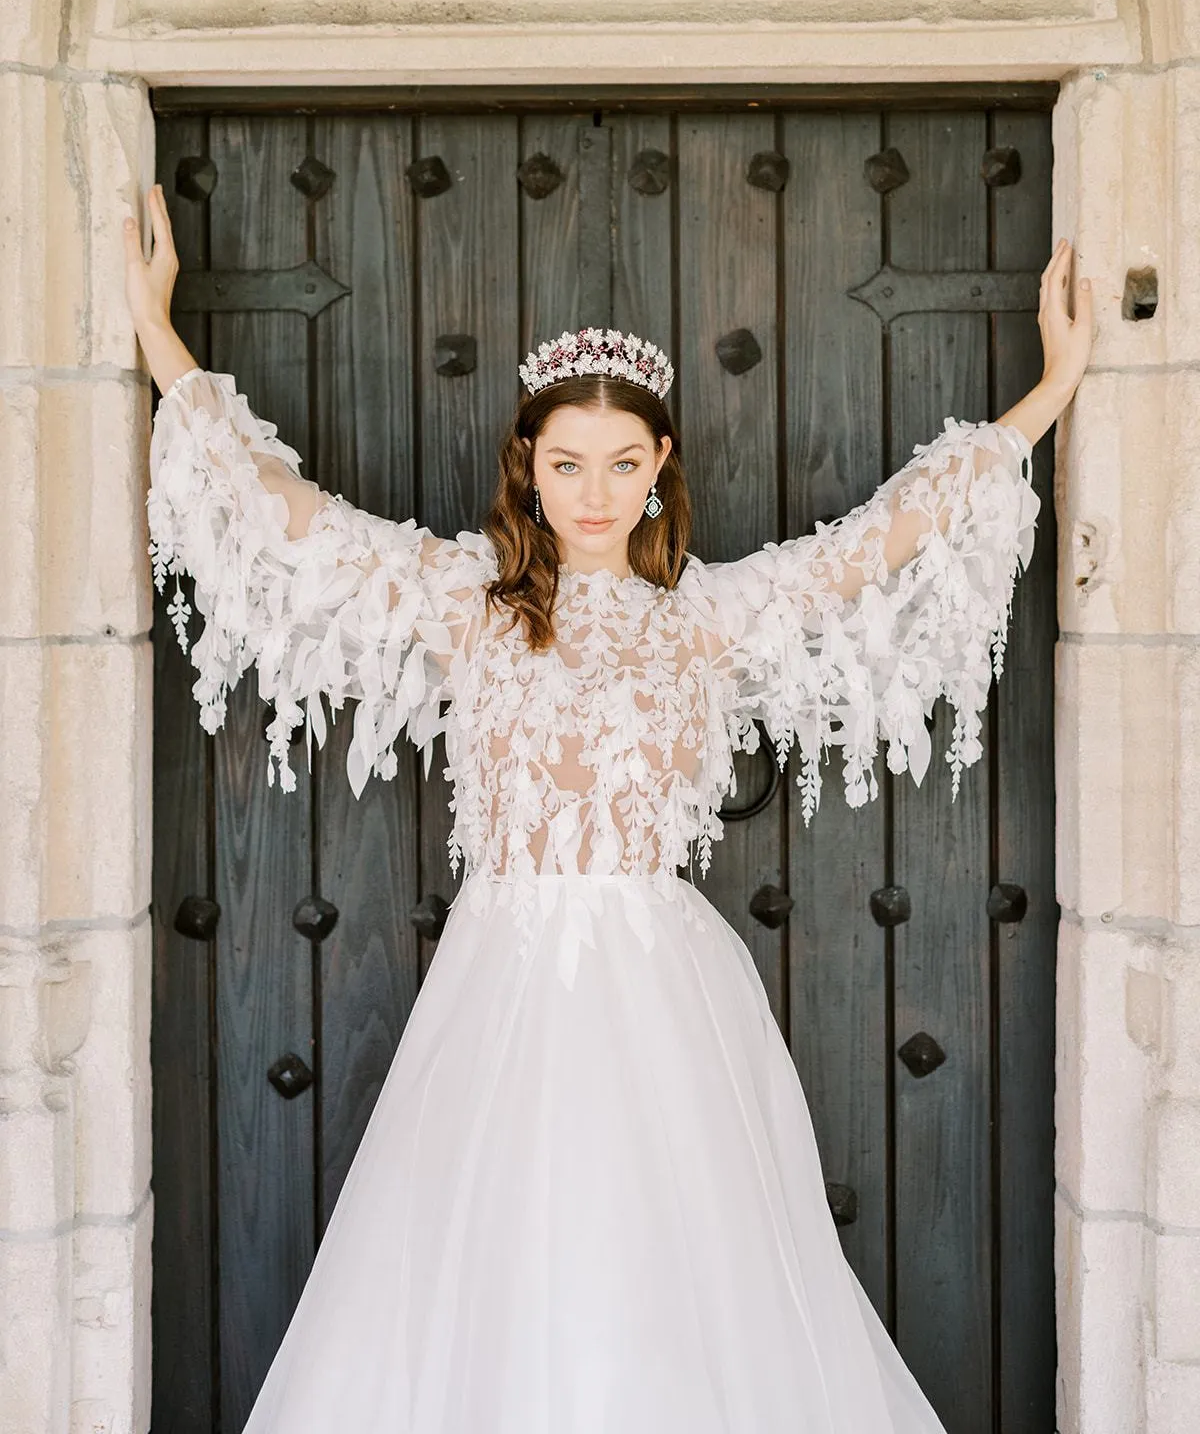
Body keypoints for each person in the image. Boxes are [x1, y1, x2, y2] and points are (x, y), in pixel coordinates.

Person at [124, 182, 1091, 1433]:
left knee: (679, 1287)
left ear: (661, 464)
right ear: (529, 464)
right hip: (502, 986)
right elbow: (289, 518)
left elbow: (884, 541)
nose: (596, 492)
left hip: (663, 991)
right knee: (490, 1280)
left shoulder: (708, 616)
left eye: (623, 463)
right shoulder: (465, 597)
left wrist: (1053, 390)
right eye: (568, 463)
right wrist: (158, 331)